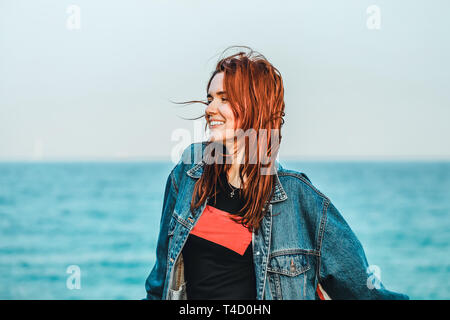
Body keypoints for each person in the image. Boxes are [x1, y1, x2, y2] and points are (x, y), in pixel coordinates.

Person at [144, 46, 409, 300]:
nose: (210, 108)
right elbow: (160, 285)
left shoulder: (297, 198)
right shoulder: (188, 177)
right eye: (210, 98)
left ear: (254, 107)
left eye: (224, 99)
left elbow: (363, 291)